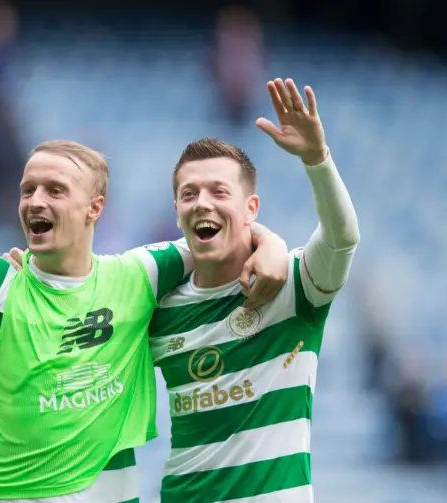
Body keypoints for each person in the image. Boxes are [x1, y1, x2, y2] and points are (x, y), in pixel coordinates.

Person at [0, 78, 288, 503]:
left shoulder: (138, 276)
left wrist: (271, 245)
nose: (35, 201)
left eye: (55, 190)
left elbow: (220, 232)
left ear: (95, 208)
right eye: (27, 189)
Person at [148, 78, 360, 502]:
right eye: (189, 194)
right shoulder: (158, 304)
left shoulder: (294, 285)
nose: (202, 203)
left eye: (219, 191)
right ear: (177, 212)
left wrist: (317, 159)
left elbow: (342, 238)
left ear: (251, 208)